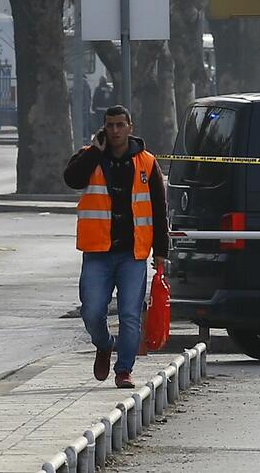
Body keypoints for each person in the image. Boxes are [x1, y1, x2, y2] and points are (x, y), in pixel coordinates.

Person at [63, 105, 168, 388]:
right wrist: (94, 153)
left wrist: (161, 253)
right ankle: (104, 344)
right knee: (92, 311)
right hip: (97, 252)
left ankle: (124, 370)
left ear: (130, 127)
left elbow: (159, 210)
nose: (115, 130)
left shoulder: (147, 162)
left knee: (130, 314)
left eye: (120, 125)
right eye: (110, 125)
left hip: (133, 253)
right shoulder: (90, 156)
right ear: (104, 128)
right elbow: (71, 179)